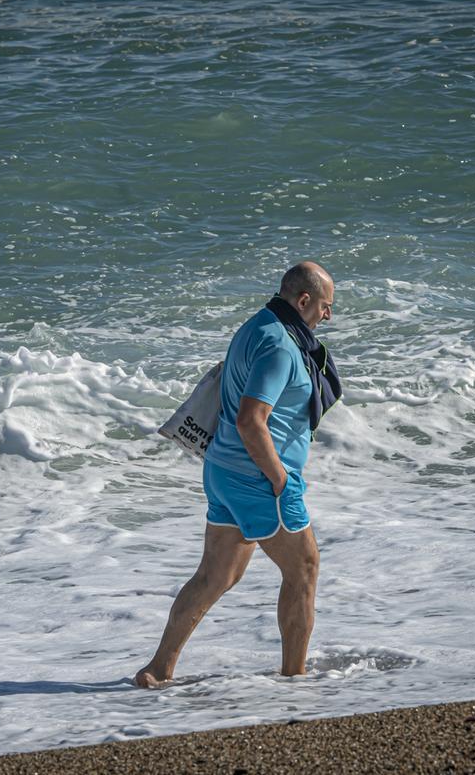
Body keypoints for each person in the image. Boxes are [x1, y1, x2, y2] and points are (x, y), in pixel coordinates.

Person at [136, 261, 341, 688]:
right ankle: (295, 680)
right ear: (304, 301)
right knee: (303, 569)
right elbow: (252, 420)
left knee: (216, 576)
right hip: (258, 478)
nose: (328, 316)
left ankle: (157, 670)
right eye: (325, 306)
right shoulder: (281, 346)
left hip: (223, 471)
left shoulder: (257, 324)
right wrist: (280, 479)